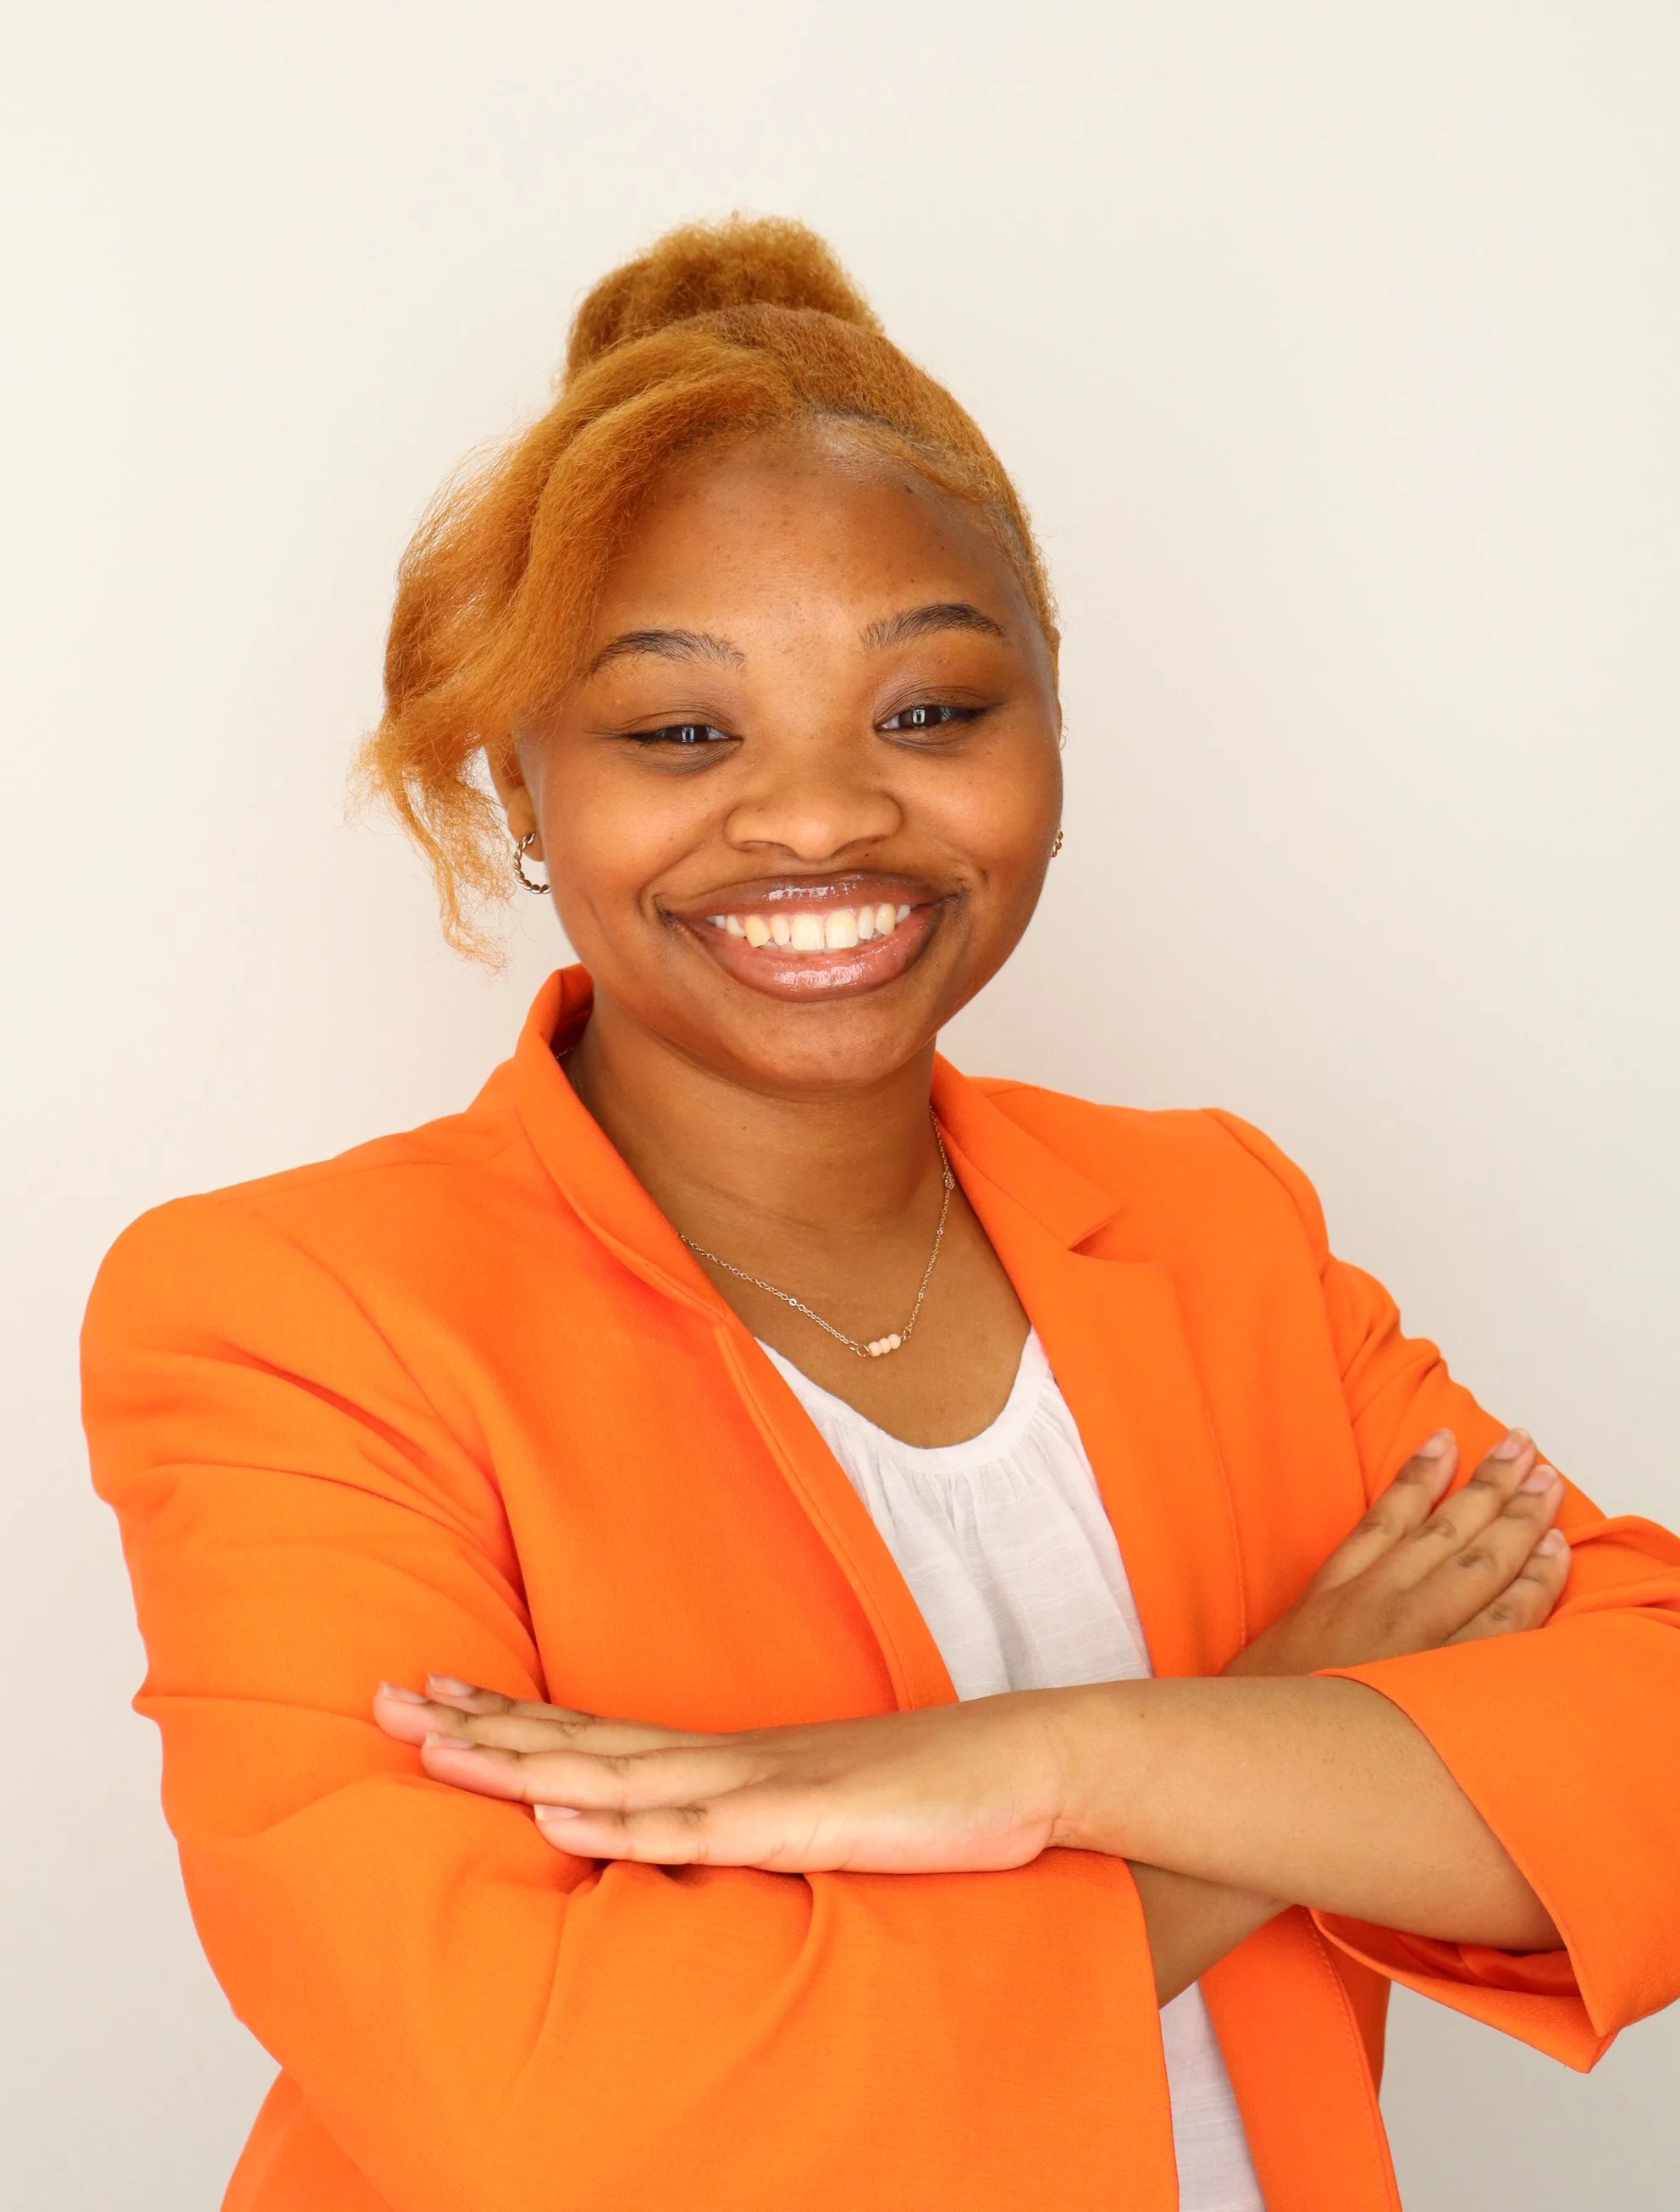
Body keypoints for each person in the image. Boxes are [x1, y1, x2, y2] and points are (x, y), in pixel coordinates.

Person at [84, 218, 1680, 2212]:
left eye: (928, 712)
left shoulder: (1208, 1222)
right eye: (680, 731)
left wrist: (1033, 1761)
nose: (824, 814)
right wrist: (1270, 1738)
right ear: (516, 784)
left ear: (1051, 727)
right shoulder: (296, 1314)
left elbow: (1644, 1752)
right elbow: (558, 2116)